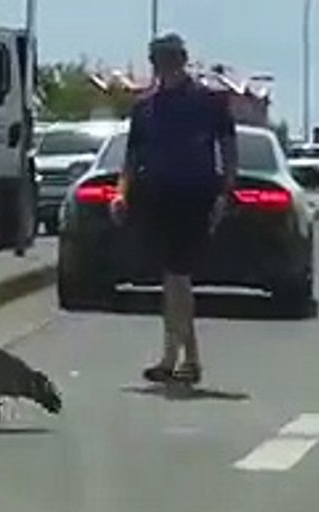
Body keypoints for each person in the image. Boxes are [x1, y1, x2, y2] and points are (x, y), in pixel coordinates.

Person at [111, 33, 237, 386]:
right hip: (155, 196)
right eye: (159, 60)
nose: (165, 65)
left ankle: (187, 359)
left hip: (195, 195)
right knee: (172, 281)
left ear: (182, 59)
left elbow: (228, 150)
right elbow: (131, 160)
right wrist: (121, 195)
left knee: (178, 278)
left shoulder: (209, 102)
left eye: (170, 58)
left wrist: (225, 193)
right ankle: (175, 359)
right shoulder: (145, 108)